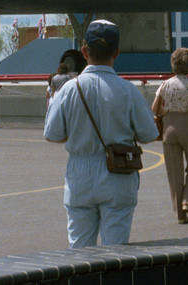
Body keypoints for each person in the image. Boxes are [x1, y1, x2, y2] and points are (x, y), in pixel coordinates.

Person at [44, 20, 159, 247]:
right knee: (115, 252)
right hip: (118, 173)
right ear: (116, 52)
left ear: (84, 51)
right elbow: (148, 134)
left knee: (78, 250)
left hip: (79, 173)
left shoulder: (69, 89)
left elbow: (53, 133)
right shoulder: (128, 90)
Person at [151, 47, 188, 224]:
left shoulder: (165, 84)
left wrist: (166, 110)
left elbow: (154, 108)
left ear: (173, 65)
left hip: (169, 129)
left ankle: (180, 215)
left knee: (174, 173)